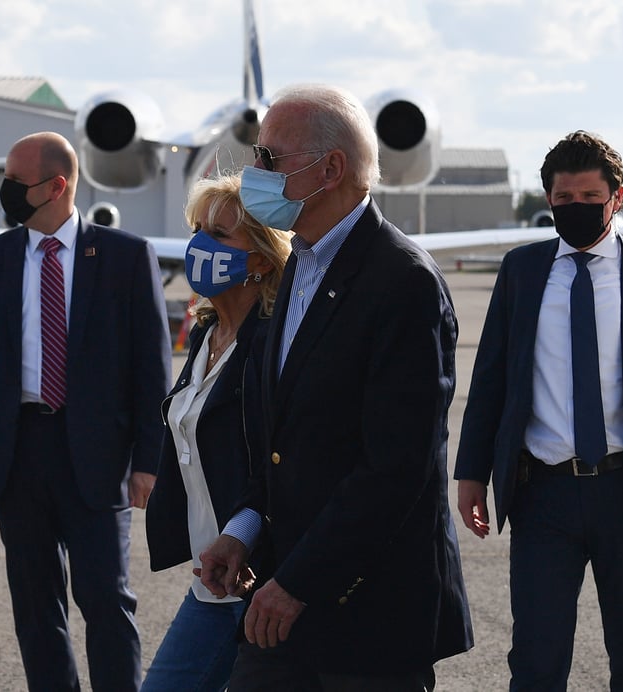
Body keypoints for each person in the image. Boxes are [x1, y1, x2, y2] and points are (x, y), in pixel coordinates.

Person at [199, 84, 474, 690]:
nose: (255, 172)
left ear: (331, 169)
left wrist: (299, 583)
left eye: (270, 158)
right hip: (278, 600)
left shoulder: (402, 282)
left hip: (366, 617)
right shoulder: (299, 261)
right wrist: (244, 528)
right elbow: (284, 437)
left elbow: (394, 467)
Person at [454, 130, 623, 690]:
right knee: (535, 663)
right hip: (542, 493)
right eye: (563, 199)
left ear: (617, 198)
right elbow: (492, 380)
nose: (575, 210)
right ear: (548, 198)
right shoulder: (522, 271)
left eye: (590, 199)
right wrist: (472, 472)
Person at [0, 131, 171, 691]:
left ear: (57, 185)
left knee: (107, 600)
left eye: (16, 181)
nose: (6, 191)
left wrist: (148, 461)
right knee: (36, 607)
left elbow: (151, 370)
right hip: (17, 456)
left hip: (97, 455)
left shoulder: (125, 257)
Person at [143, 174, 290, 692]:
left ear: (261, 260)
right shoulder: (206, 333)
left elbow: (281, 462)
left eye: (220, 234)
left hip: (265, 578)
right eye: (198, 229)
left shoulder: (273, 344)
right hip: (215, 583)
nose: (201, 244)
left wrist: (244, 534)